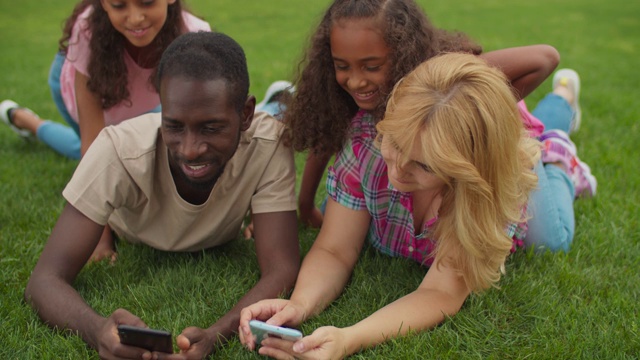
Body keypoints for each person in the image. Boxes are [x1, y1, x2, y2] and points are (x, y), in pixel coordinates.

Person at [238, 53, 541, 360]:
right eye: (394, 142)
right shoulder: (365, 147)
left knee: (551, 237)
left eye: (424, 165)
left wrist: (349, 338)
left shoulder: (482, 191)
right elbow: (335, 249)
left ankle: (557, 137)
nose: (398, 171)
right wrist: (299, 304)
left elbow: (441, 292)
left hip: (516, 169)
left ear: (467, 169)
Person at [24, 31, 300, 359]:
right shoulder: (117, 149)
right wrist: (97, 329)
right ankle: (26, 123)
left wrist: (217, 334)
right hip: (137, 232)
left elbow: (282, 267)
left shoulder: (269, 144)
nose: (190, 149)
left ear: (245, 114)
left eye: (211, 128)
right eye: (174, 126)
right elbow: (44, 280)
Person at [289, 0, 559, 231]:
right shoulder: (342, 92)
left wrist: (486, 110)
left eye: (371, 66)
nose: (356, 81)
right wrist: (306, 206)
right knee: (341, 209)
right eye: (342, 66)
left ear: (404, 51)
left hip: (510, 137)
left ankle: (560, 145)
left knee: (549, 240)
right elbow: (326, 134)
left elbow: (545, 58)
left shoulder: (439, 83)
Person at [0, 0, 210, 262]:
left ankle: (24, 120)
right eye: (119, 5)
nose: (135, 18)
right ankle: (27, 121)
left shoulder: (194, 38)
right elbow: (93, 147)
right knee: (97, 153)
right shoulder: (88, 31)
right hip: (75, 84)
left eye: (146, 2)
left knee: (129, 151)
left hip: (137, 103)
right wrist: (100, 238)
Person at [524, 67, 597, 251]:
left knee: (550, 244)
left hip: (518, 148)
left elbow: (547, 57)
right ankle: (562, 97)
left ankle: (557, 162)